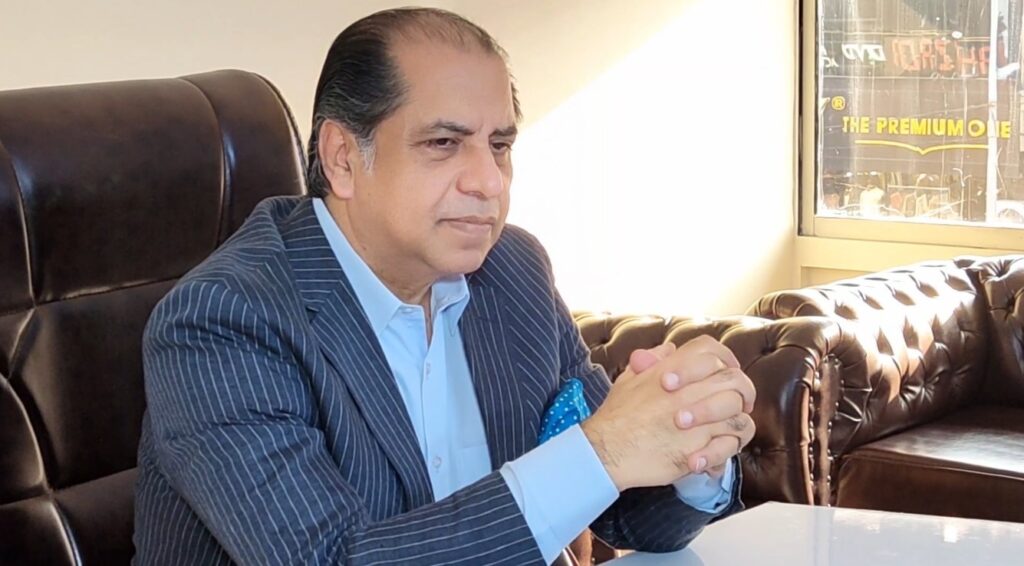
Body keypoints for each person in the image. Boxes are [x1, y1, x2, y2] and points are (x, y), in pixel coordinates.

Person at [133, 8, 755, 565]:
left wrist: (693, 439)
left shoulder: (512, 271)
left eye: (499, 145)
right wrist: (604, 451)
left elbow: (624, 510)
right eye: (443, 143)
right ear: (344, 158)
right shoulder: (222, 322)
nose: (489, 181)